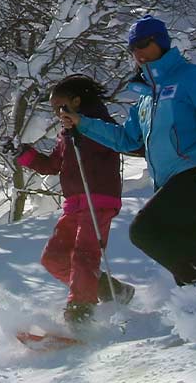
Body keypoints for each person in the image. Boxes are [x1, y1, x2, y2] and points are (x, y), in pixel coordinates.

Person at [60, 16, 196, 291]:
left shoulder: (190, 77)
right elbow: (126, 139)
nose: (138, 52)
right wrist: (83, 123)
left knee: (145, 231)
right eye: (132, 48)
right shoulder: (146, 98)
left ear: (160, 41)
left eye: (143, 44)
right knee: (184, 258)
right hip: (170, 184)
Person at [8, 75, 135, 326]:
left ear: (76, 101)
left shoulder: (99, 124)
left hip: (98, 198)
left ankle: (81, 310)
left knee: (83, 255)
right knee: (53, 257)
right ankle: (110, 290)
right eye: (54, 109)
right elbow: (53, 165)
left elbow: (112, 145)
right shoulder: (67, 133)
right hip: (75, 202)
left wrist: (82, 128)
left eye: (60, 107)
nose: (57, 114)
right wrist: (22, 153)